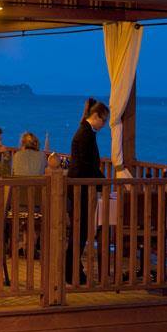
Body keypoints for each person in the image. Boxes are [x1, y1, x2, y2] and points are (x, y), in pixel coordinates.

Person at [65, 97, 109, 286]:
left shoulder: (85, 132)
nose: (104, 125)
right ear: (96, 116)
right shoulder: (85, 134)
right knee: (80, 231)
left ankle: (73, 269)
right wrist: (103, 181)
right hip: (80, 188)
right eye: (104, 120)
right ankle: (71, 270)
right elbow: (86, 165)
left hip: (79, 187)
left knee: (80, 231)